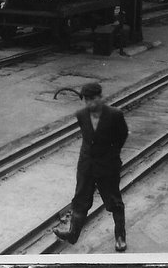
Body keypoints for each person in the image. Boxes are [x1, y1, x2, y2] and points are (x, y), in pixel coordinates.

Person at [54, 82, 129, 252]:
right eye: (87, 100)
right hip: (86, 166)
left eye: (93, 99)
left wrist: (112, 154)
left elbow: (122, 135)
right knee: (80, 200)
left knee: (114, 202)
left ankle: (120, 237)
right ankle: (73, 234)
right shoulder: (81, 115)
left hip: (108, 166)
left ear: (100, 98)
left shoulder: (115, 115)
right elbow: (89, 140)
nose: (90, 104)